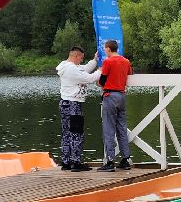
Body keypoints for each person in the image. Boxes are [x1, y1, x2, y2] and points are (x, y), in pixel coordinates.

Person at [54, 45, 100, 171]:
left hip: (65, 103)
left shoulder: (66, 65)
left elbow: (84, 69)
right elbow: (89, 78)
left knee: (66, 133)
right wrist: (101, 69)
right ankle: (76, 162)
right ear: (76, 56)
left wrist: (95, 61)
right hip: (73, 105)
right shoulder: (71, 69)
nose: (81, 61)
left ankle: (66, 161)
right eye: (81, 58)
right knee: (76, 133)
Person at [97, 38, 132, 171]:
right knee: (122, 128)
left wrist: (99, 80)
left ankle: (110, 161)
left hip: (110, 96)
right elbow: (129, 74)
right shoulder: (126, 61)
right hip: (122, 96)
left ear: (108, 49)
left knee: (108, 129)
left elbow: (102, 81)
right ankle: (125, 159)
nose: (105, 51)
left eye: (105, 49)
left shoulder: (108, 61)